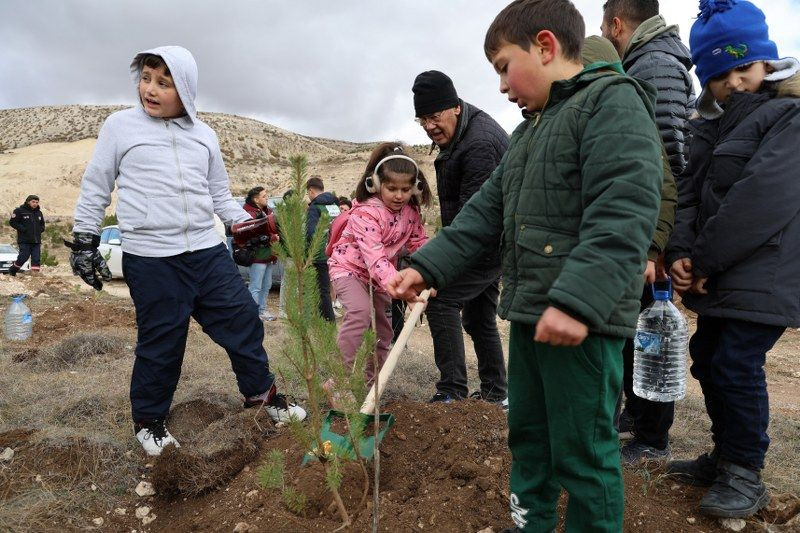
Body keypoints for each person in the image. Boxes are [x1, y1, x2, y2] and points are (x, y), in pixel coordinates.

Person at [389, 1, 663, 530]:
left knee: (582, 451)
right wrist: (428, 266)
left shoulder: (613, 104)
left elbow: (623, 211)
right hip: (534, 314)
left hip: (580, 322)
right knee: (529, 436)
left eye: (502, 67)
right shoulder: (528, 133)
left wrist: (578, 301)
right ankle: (529, 521)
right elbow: (483, 213)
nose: (500, 88)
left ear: (545, 45)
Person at [69, 46, 305, 457]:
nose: (151, 89)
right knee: (163, 342)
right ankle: (150, 422)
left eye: (164, 82)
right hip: (152, 257)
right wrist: (85, 241)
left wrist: (244, 222)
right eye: (146, 78)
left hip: (207, 251)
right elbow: (96, 185)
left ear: (187, 91)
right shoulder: (120, 127)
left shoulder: (204, 136)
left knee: (245, 321)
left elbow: (220, 197)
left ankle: (260, 397)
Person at [665, 0, 800, 518]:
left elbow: (759, 201)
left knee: (736, 364)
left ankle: (746, 474)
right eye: (720, 75)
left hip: (761, 271)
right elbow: (689, 194)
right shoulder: (709, 126)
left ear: (766, 62)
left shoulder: (786, 115)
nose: (735, 83)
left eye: (744, 68)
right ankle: (724, 458)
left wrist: (701, 261)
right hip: (716, 269)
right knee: (709, 358)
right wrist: (680, 252)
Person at [600, 0, 694, 465]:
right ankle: (638, 417)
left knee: (651, 335)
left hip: (651, 238)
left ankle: (654, 437)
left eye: (604, 26)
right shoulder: (646, 62)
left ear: (617, 24)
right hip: (644, 235)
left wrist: (659, 244)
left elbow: (666, 163)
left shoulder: (652, 66)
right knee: (634, 334)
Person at [411, 69, 509, 406]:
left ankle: (452, 390)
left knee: (440, 299)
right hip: (479, 242)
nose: (428, 126)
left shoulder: (479, 143)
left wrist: (439, 265)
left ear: (454, 106)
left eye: (433, 116)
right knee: (479, 317)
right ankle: (496, 393)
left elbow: (475, 218)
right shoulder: (460, 134)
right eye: (421, 119)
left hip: (486, 243)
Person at [328, 142, 431, 382]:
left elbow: (420, 243)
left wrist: (433, 270)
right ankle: (339, 382)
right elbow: (375, 258)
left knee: (383, 332)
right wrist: (402, 289)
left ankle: (370, 387)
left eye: (405, 189)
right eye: (392, 188)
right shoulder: (366, 212)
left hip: (379, 278)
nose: (399, 195)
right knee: (360, 312)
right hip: (349, 270)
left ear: (415, 188)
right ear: (375, 184)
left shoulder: (410, 213)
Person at [240, 186, 278, 321]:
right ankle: (252, 314)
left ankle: (262, 310)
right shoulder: (248, 214)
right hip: (257, 255)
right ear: (256, 199)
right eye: (264, 196)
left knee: (266, 284)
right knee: (256, 286)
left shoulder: (266, 211)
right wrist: (272, 237)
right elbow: (253, 234)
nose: (267, 197)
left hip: (268, 254)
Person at [305, 177, 339, 322]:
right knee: (331, 287)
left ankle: (327, 320)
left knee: (321, 290)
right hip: (337, 252)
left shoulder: (314, 207)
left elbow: (311, 232)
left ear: (311, 191)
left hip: (319, 254)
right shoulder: (334, 205)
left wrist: (308, 253)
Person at [7, 195, 45, 276]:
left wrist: (40, 230)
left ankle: (35, 275)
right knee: (23, 257)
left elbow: (42, 224)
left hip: (36, 240)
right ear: (28, 202)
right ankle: (13, 270)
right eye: (33, 202)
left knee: (36, 258)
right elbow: (12, 222)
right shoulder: (19, 211)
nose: (35, 204)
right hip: (24, 240)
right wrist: (23, 229)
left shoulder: (39, 213)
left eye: (37, 202)